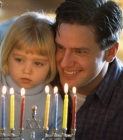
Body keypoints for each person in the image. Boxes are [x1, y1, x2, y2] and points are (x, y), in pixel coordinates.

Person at [51, 0, 123, 139]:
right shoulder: (38, 76)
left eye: (79, 51)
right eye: (60, 47)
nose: (65, 63)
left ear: (111, 52)